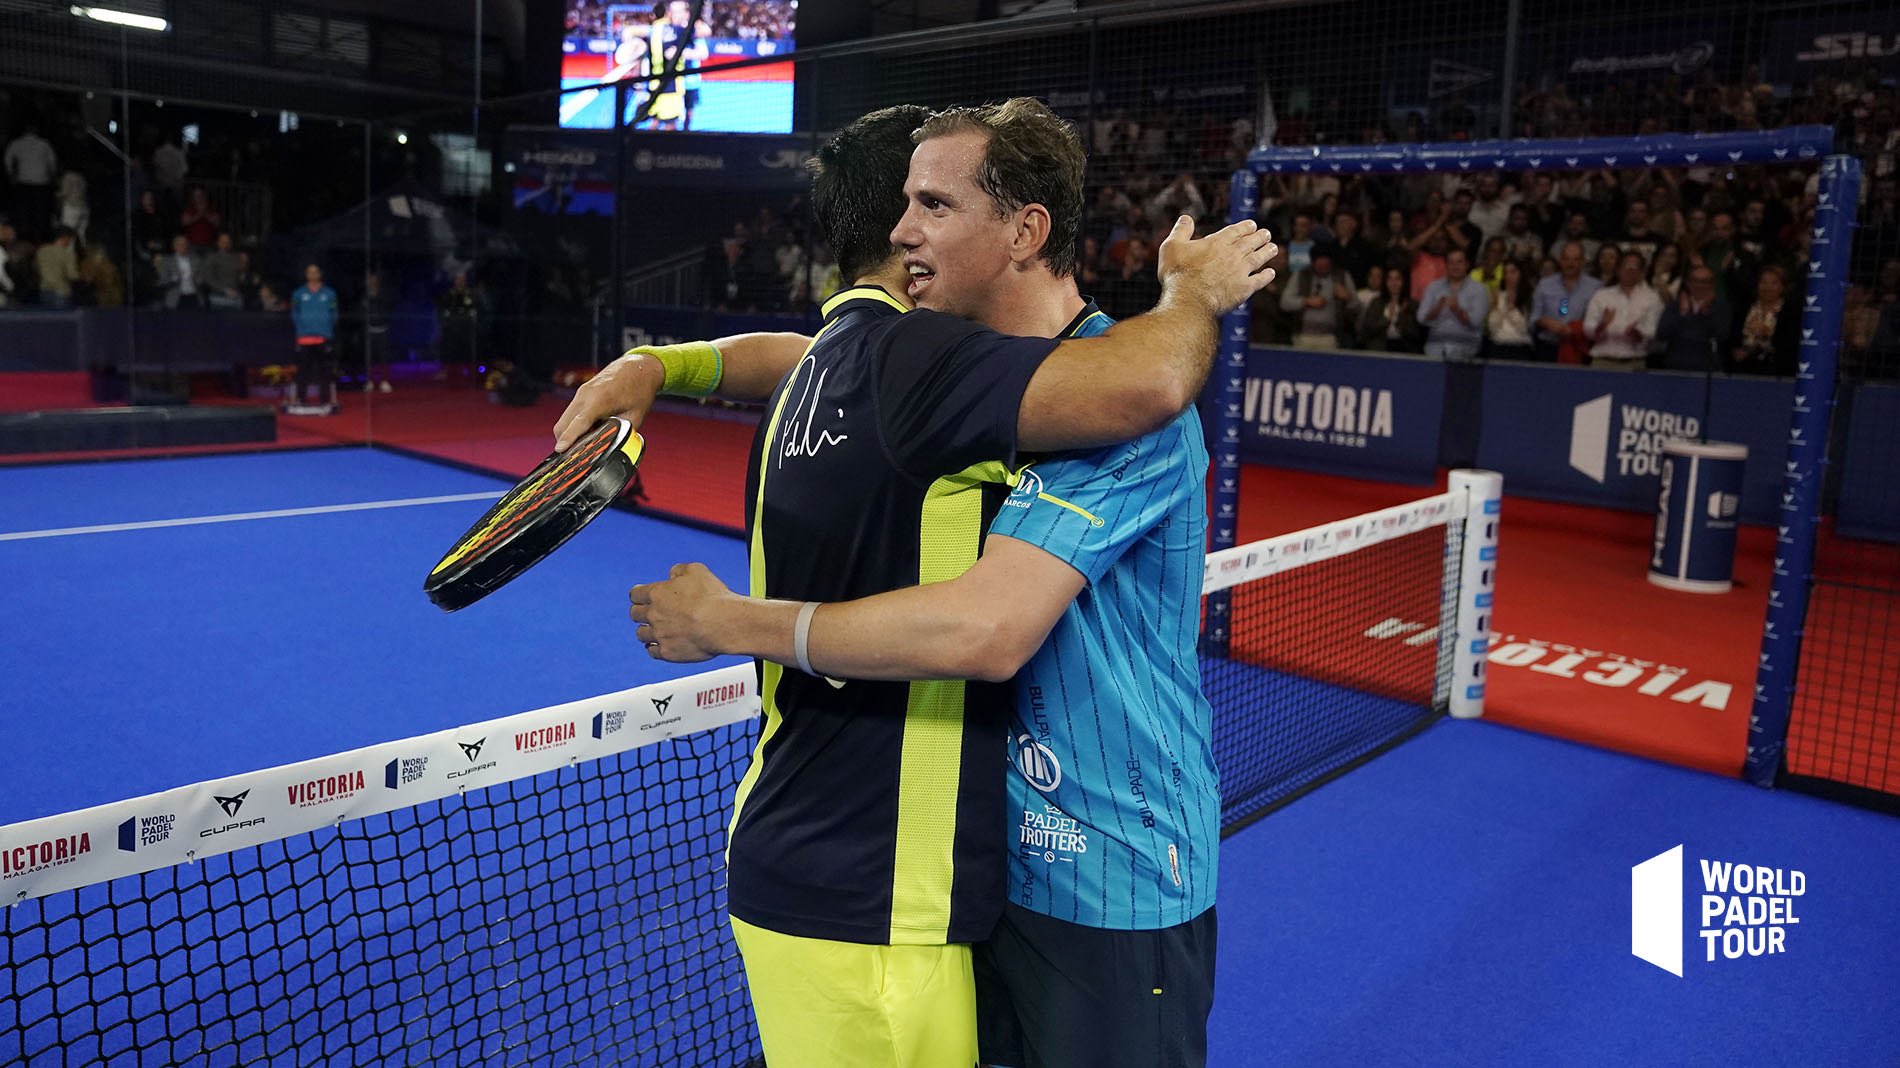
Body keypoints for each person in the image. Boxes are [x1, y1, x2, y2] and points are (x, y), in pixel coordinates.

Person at [558, 100, 1275, 1068]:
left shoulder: (1123, 407)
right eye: (904, 202)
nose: (901, 232)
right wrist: (660, 364)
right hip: (979, 868)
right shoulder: (967, 379)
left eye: (933, 205)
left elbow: (987, 630)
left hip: (1109, 872)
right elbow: (816, 361)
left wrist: (732, 621)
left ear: (1024, 232)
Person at [1582, 251, 1662, 371]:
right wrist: (1602, 325)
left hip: (1635, 362)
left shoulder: (1652, 298)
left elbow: (1653, 332)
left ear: (1642, 272)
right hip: (1603, 361)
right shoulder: (1601, 295)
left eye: (1634, 267)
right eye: (1626, 266)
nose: (1630, 270)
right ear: (1618, 269)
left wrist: (1637, 334)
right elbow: (1587, 329)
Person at [1530, 240, 1602, 363]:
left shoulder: (1595, 287)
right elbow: (1533, 319)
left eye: (1575, 259)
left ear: (1583, 262)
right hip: (1548, 349)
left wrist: (1576, 329)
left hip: (1579, 350)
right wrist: (1544, 322)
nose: (1570, 263)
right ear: (1560, 261)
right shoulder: (1545, 285)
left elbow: (1599, 322)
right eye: (1566, 259)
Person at [1655, 265, 1731, 372]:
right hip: (1675, 368)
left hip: (1707, 370)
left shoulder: (1721, 308)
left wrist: (1704, 312)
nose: (1700, 285)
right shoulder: (1676, 306)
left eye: (1705, 281)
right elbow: (1661, 334)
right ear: (1688, 283)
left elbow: (1721, 335)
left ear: (1712, 284)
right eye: (1695, 281)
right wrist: (1683, 313)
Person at [1279, 242, 1354, 349]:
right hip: (1303, 336)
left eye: (1326, 266)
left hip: (1331, 337)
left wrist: (1347, 297)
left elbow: (1357, 307)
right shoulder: (1301, 276)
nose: (1322, 269)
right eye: (1319, 266)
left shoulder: (1342, 277)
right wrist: (1306, 301)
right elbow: (1284, 302)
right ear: (1313, 262)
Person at [1417, 247, 1487, 359]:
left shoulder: (1479, 289)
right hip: (1435, 349)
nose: (1455, 266)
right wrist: (1436, 310)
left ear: (1467, 264)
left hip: (1465, 353)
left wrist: (1457, 310)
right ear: (1446, 265)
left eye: (1459, 262)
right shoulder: (1433, 287)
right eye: (1451, 263)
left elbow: (1476, 321)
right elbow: (1421, 318)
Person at [1730, 263, 1798, 376]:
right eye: (1763, 282)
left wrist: (1767, 333)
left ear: (1783, 287)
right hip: (1743, 367)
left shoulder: (1790, 311)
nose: (1767, 287)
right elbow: (1733, 337)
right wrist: (1736, 350)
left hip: (1776, 369)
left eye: (1774, 283)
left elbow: (1789, 344)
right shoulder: (1744, 307)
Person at [289, 263, 340, 411]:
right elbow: (294, 313)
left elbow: (334, 313)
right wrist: (301, 328)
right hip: (304, 338)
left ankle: (325, 399)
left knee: (325, 370)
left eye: (315, 272)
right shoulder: (298, 293)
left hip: (323, 337)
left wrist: (327, 328)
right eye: (309, 272)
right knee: (303, 371)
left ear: (320, 274)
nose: (312, 275)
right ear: (306, 275)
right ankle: (301, 399)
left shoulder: (329, 293)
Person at [1355, 266, 1421, 352]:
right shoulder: (1376, 302)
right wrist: (1387, 318)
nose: (1394, 283)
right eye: (1390, 279)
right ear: (1385, 282)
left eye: (1397, 279)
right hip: (1379, 348)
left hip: (1404, 349)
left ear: (1403, 282)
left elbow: (1415, 333)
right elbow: (1368, 328)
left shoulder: (1411, 304)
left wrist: (1400, 315)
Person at [1483, 259, 1534, 361]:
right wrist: (1496, 307)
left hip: (1520, 348)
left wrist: (1511, 307)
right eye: (1505, 273)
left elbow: (1524, 329)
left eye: (1513, 272)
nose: (1508, 276)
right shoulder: (1498, 295)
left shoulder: (1528, 296)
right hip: (1498, 346)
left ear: (1520, 274)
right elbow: (1493, 328)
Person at [33, 227, 79, 308]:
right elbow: (72, 275)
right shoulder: (67, 254)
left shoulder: (42, 251)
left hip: (44, 290)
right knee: (63, 316)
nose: (69, 242)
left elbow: (36, 268)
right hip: (61, 292)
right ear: (65, 238)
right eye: (70, 239)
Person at [155, 234, 205, 309]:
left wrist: (196, 278)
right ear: (174, 246)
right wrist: (175, 277)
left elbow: (202, 279)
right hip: (175, 298)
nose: (182, 246)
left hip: (194, 296)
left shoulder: (196, 259)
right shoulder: (167, 261)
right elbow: (161, 281)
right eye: (179, 244)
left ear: (188, 245)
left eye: (184, 244)